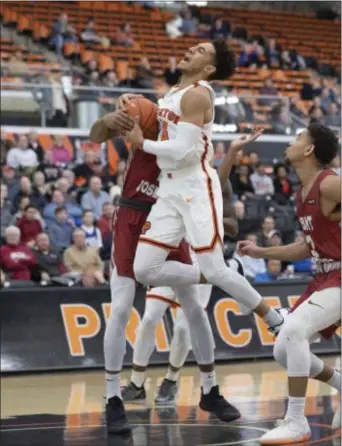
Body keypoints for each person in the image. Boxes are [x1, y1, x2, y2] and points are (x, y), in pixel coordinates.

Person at [90, 96, 277, 433]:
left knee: (192, 309)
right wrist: (109, 119)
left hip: (170, 220)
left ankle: (210, 389)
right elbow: (96, 132)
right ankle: (113, 396)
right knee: (121, 309)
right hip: (133, 216)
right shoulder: (146, 129)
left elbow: (214, 187)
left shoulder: (190, 148)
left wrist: (232, 155)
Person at [122, 39, 284, 428]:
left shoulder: (198, 94)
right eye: (193, 46)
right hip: (169, 190)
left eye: (200, 50)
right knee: (144, 269)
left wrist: (141, 142)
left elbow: (181, 150)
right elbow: (155, 122)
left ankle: (272, 316)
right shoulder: (173, 92)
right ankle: (212, 274)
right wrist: (131, 108)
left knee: (209, 272)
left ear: (209, 69)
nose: (191, 49)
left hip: (195, 186)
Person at [238, 123, 341, 443]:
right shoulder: (302, 192)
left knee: (294, 330)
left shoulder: (330, 183)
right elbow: (306, 246)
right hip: (323, 276)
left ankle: (297, 420)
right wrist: (262, 250)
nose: (291, 143)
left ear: (310, 150)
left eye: (298, 138)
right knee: (284, 349)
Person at [121, 146, 242, 404]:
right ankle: (136, 382)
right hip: (171, 252)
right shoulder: (168, 175)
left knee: (183, 327)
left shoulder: (216, 183)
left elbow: (233, 226)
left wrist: (208, 218)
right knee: (149, 318)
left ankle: (171, 380)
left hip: (200, 256)